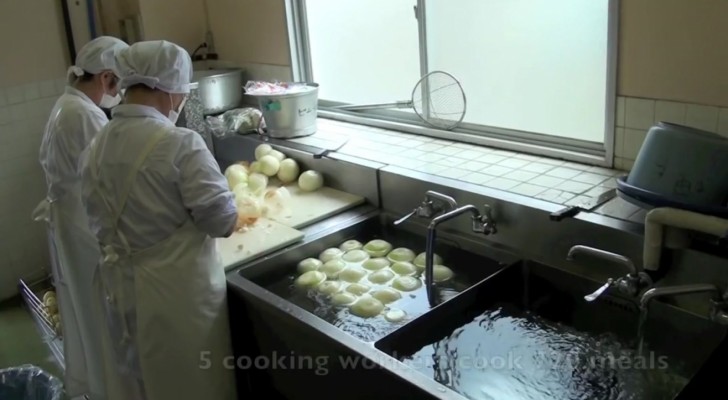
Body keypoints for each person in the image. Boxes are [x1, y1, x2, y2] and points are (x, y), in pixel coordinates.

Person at [78, 40, 242, 400]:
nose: (181, 102)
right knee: (192, 387)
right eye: (182, 94)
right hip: (177, 301)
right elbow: (222, 222)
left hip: (120, 291)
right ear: (169, 91)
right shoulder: (180, 144)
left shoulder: (94, 149)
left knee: (141, 384)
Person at [34, 35, 129, 400]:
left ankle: (100, 387)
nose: (119, 95)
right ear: (106, 78)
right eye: (119, 85)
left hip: (72, 227)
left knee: (87, 317)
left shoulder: (66, 105)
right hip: (86, 232)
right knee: (100, 319)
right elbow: (111, 178)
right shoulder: (84, 116)